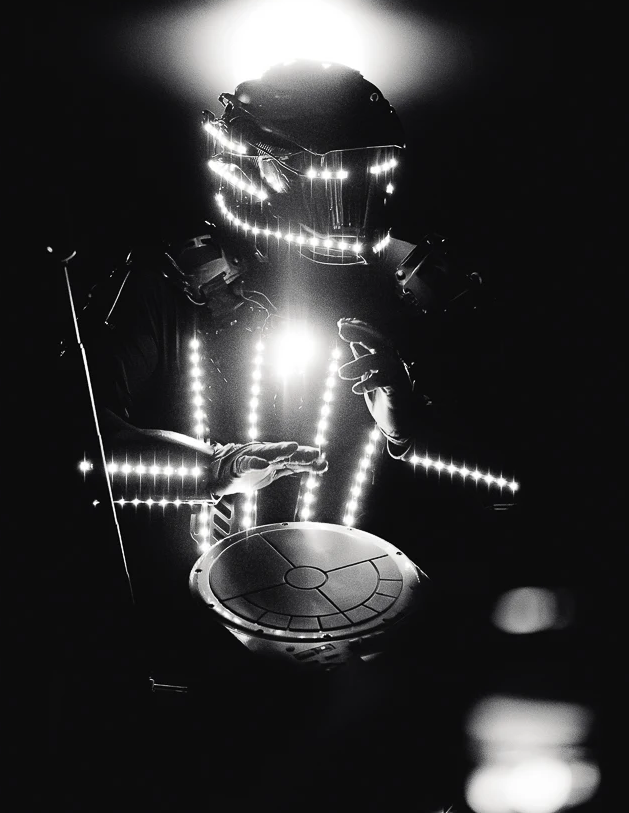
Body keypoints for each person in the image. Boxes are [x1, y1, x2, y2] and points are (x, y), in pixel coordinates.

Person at [67, 59, 508, 686]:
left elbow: (518, 486)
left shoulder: (420, 289)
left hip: (383, 660)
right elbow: (77, 455)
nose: (352, 203)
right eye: (331, 176)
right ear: (254, 168)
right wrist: (216, 470)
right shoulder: (170, 284)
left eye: (370, 172)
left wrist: (411, 432)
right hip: (206, 652)